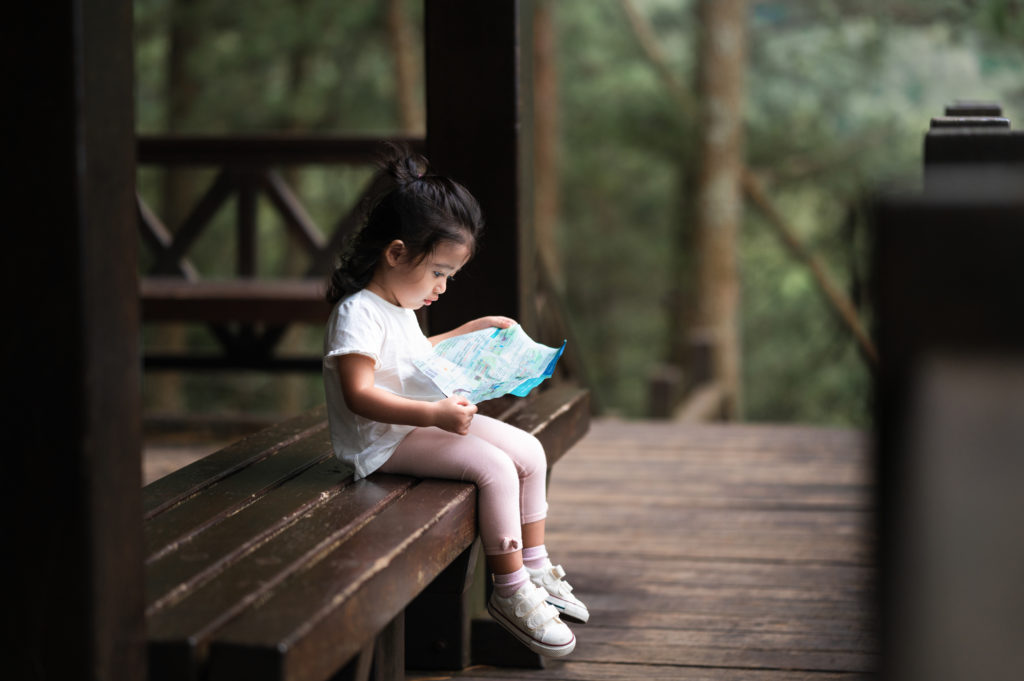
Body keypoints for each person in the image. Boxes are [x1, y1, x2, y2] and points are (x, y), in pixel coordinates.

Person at [322, 146, 589, 658]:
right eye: (438, 273)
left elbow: (414, 355)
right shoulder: (359, 313)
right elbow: (359, 394)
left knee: (528, 452)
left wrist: (475, 330)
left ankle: (533, 566)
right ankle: (509, 591)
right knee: (495, 469)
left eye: (449, 277)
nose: (442, 287)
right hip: (381, 444)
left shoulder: (397, 304)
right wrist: (434, 415)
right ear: (396, 253)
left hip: (418, 427)